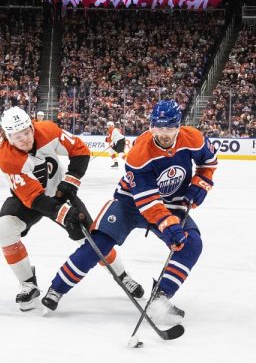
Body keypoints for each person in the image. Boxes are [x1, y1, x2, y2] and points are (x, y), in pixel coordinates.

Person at [41, 99, 218, 324]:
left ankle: (160, 297)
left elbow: (209, 162)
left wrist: (201, 183)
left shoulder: (194, 138)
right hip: (131, 202)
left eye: (170, 129)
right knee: (99, 245)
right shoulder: (139, 153)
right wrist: (169, 225)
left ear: (179, 126)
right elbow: (148, 201)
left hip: (172, 202)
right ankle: (57, 289)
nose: (164, 134)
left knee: (191, 243)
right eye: (158, 128)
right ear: (151, 126)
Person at [0, 106, 144, 312]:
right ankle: (28, 283)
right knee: (4, 229)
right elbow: (34, 197)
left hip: (59, 193)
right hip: (27, 200)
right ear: (7, 137)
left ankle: (123, 276)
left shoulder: (47, 130)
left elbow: (80, 150)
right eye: (18, 137)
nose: (25, 139)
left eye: (27, 132)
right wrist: (65, 214)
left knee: (93, 238)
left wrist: (70, 183)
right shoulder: (7, 157)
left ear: (32, 126)